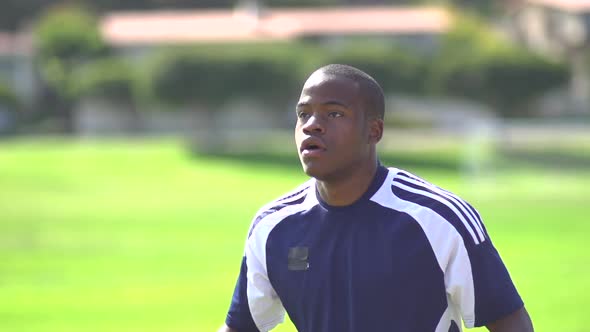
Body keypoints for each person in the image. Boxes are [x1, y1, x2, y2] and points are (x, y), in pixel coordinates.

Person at [219, 64, 533, 332]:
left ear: (374, 130)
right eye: (304, 114)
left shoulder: (438, 218)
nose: (312, 125)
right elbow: (241, 327)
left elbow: (510, 323)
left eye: (334, 113)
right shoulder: (272, 227)